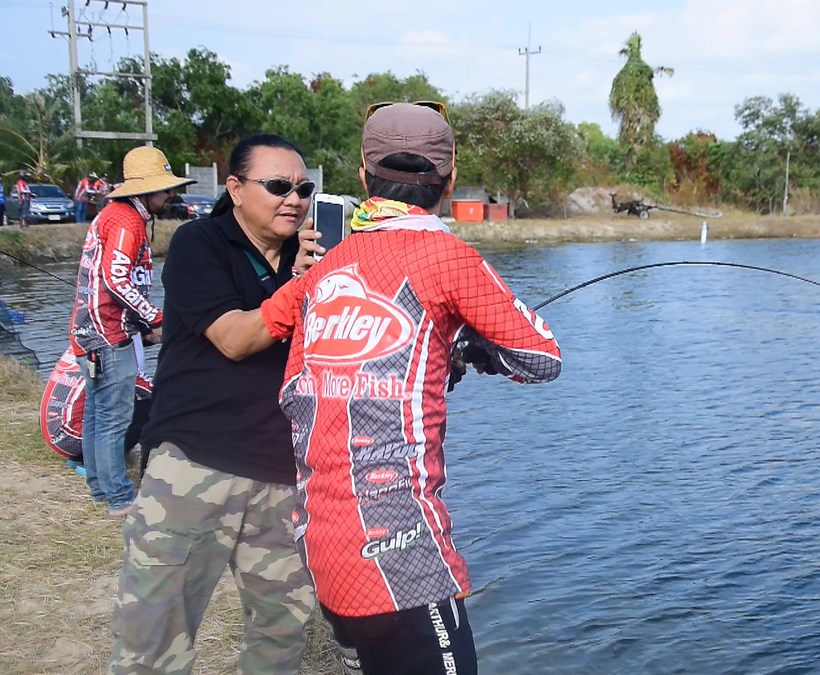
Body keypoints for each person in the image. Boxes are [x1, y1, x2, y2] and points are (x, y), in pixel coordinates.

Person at [258, 102, 563, 675]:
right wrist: (474, 347)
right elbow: (542, 359)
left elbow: (298, 384)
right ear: (448, 181)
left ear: (362, 177)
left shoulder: (323, 270)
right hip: (401, 558)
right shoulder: (447, 255)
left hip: (320, 547)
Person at [109, 133, 320, 675]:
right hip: (194, 469)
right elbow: (234, 337)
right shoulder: (200, 243)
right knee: (154, 638)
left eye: (303, 188)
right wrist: (303, 285)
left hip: (282, 477)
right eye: (277, 186)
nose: (292, 199)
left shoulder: (314, 264)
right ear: (236, 188)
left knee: (283, 632)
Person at [69, 146, 192, 517]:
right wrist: (155, 318)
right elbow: (117, 279)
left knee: (97, 411)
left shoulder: (113, 215)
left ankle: (99, 486)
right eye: (164, 188)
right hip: (107, 335)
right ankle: (120, 497)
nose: (169, 195)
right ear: (146, 190)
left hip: (89, 331)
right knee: (113, 417)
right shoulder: (127, 222)